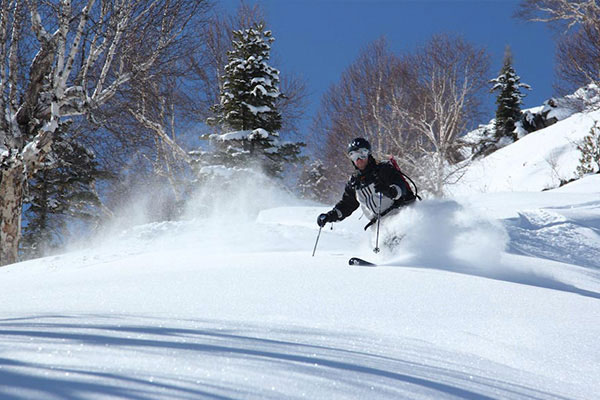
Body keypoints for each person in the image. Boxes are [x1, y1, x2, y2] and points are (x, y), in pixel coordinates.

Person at [317, 137, 416, 230]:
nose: (358, 159)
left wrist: (390, 191)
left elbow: (401, 187)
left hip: (398, 216)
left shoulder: (383, 169)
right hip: (379, 226)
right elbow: (347, 205)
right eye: (354, 156)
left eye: (362, 153)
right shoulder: (354, 183)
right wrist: (330, 216)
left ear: (369, 153)